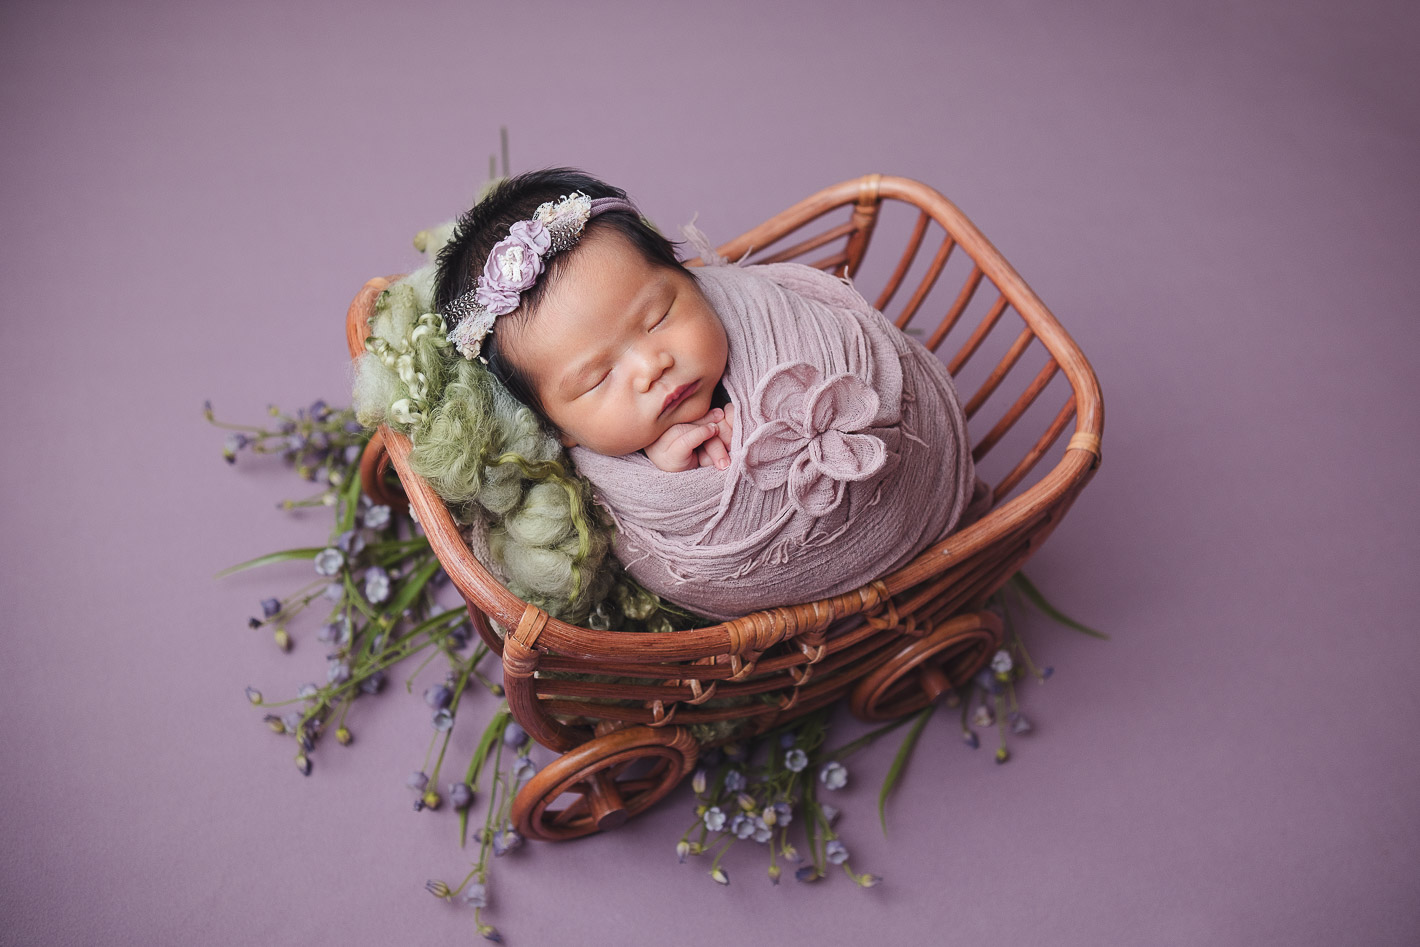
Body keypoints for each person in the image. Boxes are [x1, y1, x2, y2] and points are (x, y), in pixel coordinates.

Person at [433, 168, 976, 620]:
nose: (652, 365)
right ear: (557, 430)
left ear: (690, 274)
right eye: (597, 379)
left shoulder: (765, 316)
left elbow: (831, 359)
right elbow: (677, 558)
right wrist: (674, 472)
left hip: (917, 453)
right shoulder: (599, 493)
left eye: (659, 317)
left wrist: (769, 421)